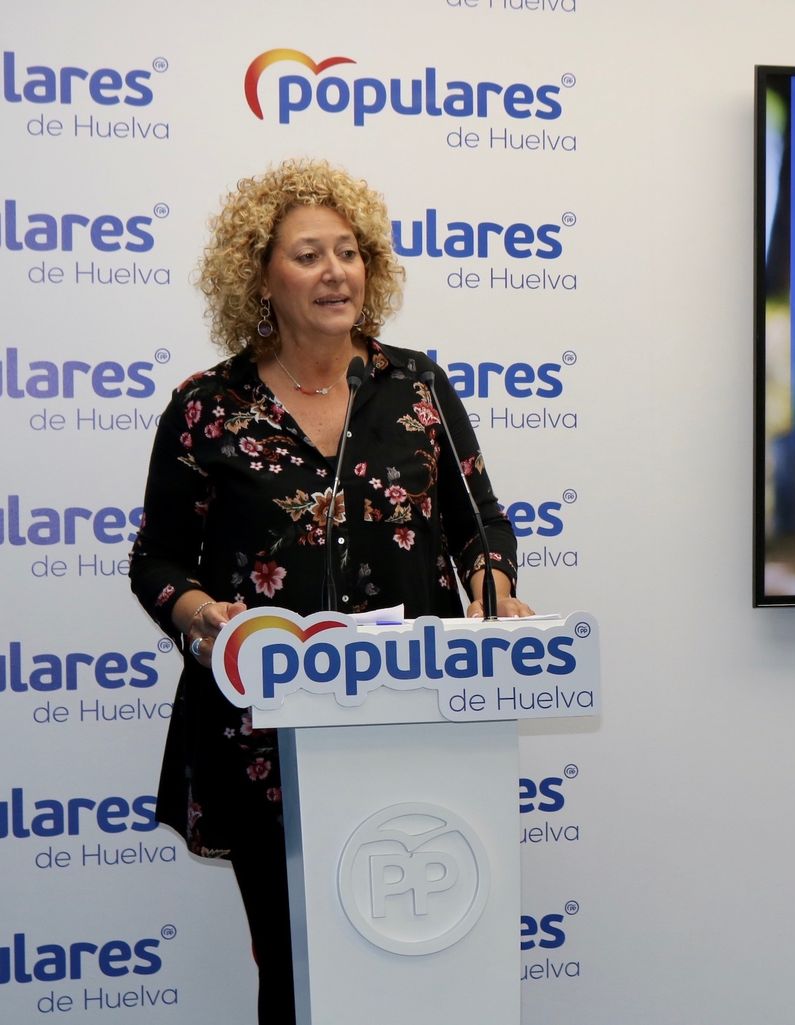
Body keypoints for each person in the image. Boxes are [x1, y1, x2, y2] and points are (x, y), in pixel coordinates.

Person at [128, 158, 534, 1023]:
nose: (335, 271)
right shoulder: (207, 408)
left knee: (427, 963)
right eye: (308, 255)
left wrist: (489, 587)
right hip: (264, 735)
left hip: (412, 715)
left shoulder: (415, 385)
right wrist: (204, 617)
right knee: (299, 969)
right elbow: (157, 561)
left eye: (347, 252)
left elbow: (480, 522)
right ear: (260, 278)